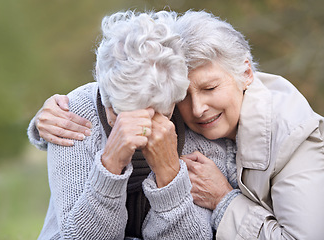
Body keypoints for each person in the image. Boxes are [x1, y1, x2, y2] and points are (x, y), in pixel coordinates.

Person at [32, 10, 324, 239]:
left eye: (210, 88)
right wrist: (109, 162)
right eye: (185, 94)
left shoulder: (287, 137)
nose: (198, 109)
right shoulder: (73, 115)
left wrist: (192, 184)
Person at [28, 10, 239, 240]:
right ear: (101, 82)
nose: (136, 128)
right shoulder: (72, 116)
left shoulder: (198, 125)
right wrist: (110, 165)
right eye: (119, 113)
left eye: (155, 113)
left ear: (175, 98)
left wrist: (169, 175)